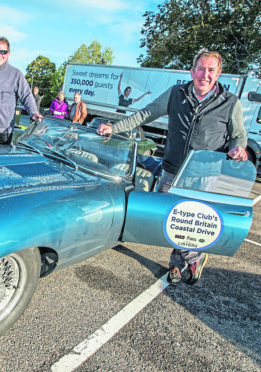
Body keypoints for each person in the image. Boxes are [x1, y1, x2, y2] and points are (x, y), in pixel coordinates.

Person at [97, 49, 248, 286]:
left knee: (193, 221)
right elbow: (146, 113)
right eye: (201, 69)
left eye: (210, 70)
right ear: (192, 71)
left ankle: (180, 263)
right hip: (172, 169)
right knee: (172, 220)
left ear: (218, 73)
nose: (204, 75)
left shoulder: (230, 103)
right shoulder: (176, 94)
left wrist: (238, 148)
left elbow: (239, 135)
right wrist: (115, 128)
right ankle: (192, 257)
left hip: (204, 175)